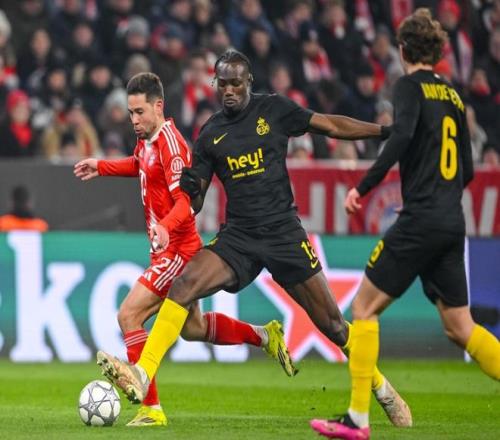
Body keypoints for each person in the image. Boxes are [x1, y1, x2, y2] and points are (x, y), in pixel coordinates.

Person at [95, 50, 413, 429]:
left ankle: (381, 387)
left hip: (283, 234)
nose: (229, 90)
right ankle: (143, 373)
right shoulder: (210, 134)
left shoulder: (274, 110)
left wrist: (384, 132)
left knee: (334, 326)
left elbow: (329, 125)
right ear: (215, 85)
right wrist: (181, 207)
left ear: (248, 82)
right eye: (223, 84)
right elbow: (194, 198)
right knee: (184, 284)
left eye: (236, 83)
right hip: (239, 237)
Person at [311, 9, 500, 440]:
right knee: (461, 327)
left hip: (422, 220)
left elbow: (401, 137)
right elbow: (468, 169)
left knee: (364, 309)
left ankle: (357, 419)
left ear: (402, 50)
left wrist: (363, 186)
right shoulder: (454, 96)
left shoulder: (407, 87)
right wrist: (436, 199)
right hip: (451, 222)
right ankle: (357, 418)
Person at [74, 72, 294, 427]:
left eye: (140, 112)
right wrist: (101, 166)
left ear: (158, 106)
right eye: (130, 113)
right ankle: (264, 335)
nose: (134, 120)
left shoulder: (172, 146)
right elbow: (140, 165)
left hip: (178, 250)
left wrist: (165, 226)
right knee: (193, 328)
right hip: (167, 248)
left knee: (129, 315)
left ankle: (150, 408)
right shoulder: (148, 140)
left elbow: (186, 201)